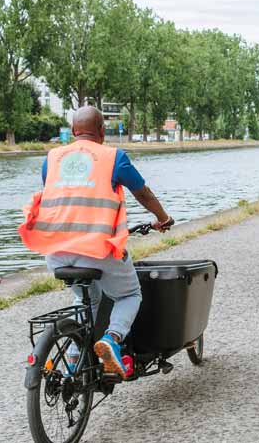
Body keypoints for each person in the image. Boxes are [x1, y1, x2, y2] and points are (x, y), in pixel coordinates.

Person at [19, 106, 173, 379]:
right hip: (96, 250)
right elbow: (143, 193)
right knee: (129, 295)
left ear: (73, 130)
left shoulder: (51, 159)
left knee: (86, 299)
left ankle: (74, 360)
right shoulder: (114, 157)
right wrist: (163, 218)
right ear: (102, 131)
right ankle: (112, 339)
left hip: (55, 251)